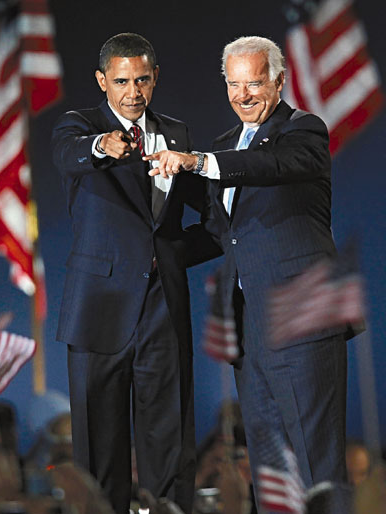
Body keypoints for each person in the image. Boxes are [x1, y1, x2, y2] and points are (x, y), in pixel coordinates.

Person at [144, 36, 353, 499]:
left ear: (279, 81)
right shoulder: (225, 147)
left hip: (301, 318)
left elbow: (269, 165)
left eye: (254, 83)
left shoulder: (303, 132)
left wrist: (197, 162)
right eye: (234, 85)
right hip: (249, 327)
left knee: (315, 465)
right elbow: (220, 232)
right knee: (269, 469)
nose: (243, 96)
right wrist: (156, 256)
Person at [51, 32, 220, 514]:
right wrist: (103, 146)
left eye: (142, 79)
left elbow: (209, 216)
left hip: (163, 308)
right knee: (99, 454)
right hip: (98, 309)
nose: (133, 91)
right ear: (102, 80)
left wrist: (172, 256)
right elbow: (70, 154)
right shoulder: (80, 127)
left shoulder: (177, 135)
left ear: (155, 77)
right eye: (122, 81)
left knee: (169, 445)